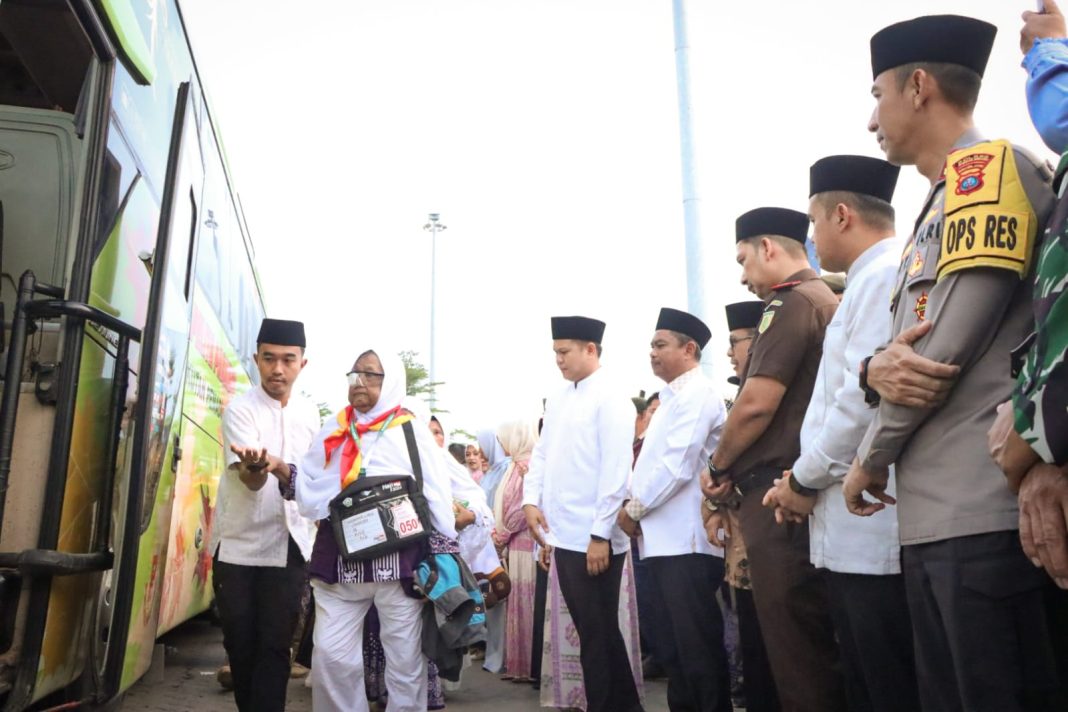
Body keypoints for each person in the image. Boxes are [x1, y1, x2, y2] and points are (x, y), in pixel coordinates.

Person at [844, 14, 1061, 711]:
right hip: (940, 523)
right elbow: (901, 352)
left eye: (878, 94)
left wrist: (871, 458)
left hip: (987, 519)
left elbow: (944, 347)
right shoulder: (936, 206)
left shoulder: (986, 170)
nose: (872, 117)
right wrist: (874, 367)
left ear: (917, 86)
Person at [761, 155, 919, 712]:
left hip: (871, 528)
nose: (812, 237)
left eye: (813, 223)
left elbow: (859, 404)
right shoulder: (864, 281)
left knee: (885, 686)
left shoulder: (880, 278)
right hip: (852, 523)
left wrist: (800, 482)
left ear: (843, 215)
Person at [704, 208, 847, 711]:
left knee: (797, 653)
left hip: (777, 492)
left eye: (744, 260)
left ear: (768, 248)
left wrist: (718, 467)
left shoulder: (789, 303)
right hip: (803, 483)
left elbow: (757, 403)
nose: (743, 276)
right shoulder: (823, 298)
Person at [295, 345, 458, 712]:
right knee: (331, 658)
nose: (360, 382)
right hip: (340, 564)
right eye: (355, 375)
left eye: (371, 374)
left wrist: (447, 557)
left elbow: (437, 494)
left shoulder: (411, 431)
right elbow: (308, 487)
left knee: (404, 663)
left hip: (399, 567)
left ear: (391, 382)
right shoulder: (334, 428)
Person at [522, 316, 642, 712]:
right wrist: (530, 500)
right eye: (555, 352)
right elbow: (541, 454)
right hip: (564, 533)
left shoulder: (611, 398)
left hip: (595, 537)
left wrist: (600, 534)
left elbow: (614, 472)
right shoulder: (558, 399)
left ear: (591, 349)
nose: (558, 360)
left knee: (596, 632)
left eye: (564, 352)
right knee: (597, 631)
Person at [618, 307, 731, 712]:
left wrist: (633, 509)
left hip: (688, 542)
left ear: (689, 349)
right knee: (673, 652)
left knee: (696, 647)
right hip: (660, 543)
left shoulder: (698, 394)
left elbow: (677, 466)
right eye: (651, 344)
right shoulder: (667, 401)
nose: (652, 352)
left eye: (660, 344)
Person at [212, 318, 320, 712]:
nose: (278, 369)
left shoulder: (311, 416)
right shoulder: (240, 410)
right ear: (256, 359)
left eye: (288, 360)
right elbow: (251, 482)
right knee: (241, 644)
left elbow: (312, 482)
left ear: (302, 364)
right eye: (269, 358)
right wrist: (257, 466)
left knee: (276, 645)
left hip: (290, 543)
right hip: (238, 546)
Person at [713, 299, 779, 712]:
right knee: (753, 641)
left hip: (773, 534)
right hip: (742, 543)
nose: (729, 351)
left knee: (778, 648)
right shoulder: (736, 399)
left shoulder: (770, 399)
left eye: (735, 341)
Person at [492, 418, 540, 683]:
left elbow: (520, 510)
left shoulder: (527, 467)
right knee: (519, 603)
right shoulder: (515, 466)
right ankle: (519, 666)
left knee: (526, 603)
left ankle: (530, 666)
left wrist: (502, 535)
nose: (501, 443)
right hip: (516, 544)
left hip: (524, 543)